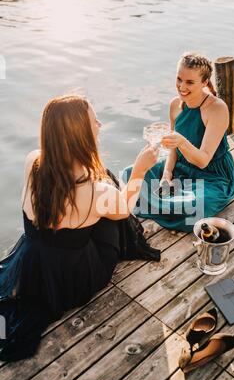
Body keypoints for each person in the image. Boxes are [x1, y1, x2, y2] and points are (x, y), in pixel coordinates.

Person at [0, 95, 160, 361]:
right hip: (73, 277)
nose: (100, 123)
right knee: (110, 193)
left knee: (102, 179)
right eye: (93, 120)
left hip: (31, 264)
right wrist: (139, 172)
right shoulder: (95, 191)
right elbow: (124, 209)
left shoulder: (33, 161)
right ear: (80, 134)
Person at [122, 52, 234, 232]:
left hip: (212, 175)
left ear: (205, 82)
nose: (182, 87)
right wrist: (167, 173)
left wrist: (181, 141)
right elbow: (174, 150)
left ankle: (156, 204)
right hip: (181, 166)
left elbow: (203, 160)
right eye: (179, 79)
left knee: (201, 205)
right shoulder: (175, 105)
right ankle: (168, 203)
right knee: (132, 173)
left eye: (190, 82)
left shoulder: (217, 108)